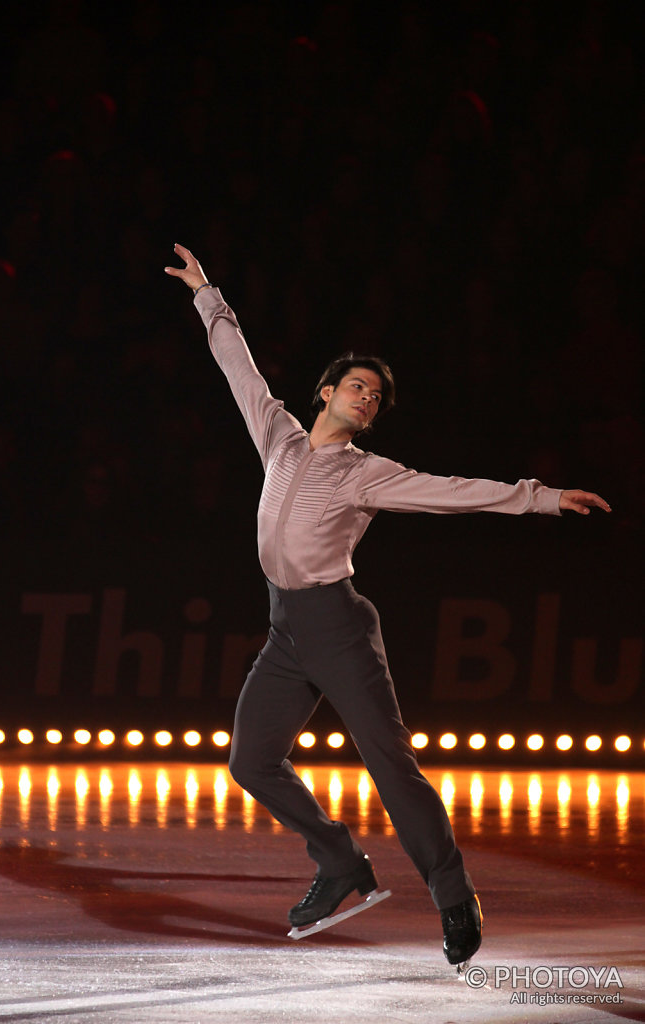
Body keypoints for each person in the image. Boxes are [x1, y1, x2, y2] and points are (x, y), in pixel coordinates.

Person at [165, 243, 611, 966]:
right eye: (356, 386)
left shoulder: (367, 474)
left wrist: (542, 499)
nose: (366, 397)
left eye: (375, 396)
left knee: (388, 763)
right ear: (326, 391)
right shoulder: (276, 435)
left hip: (337, 626)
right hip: (284, 631)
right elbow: (236, 366)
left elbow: (453, 490)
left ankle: (451, 890)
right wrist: (205, 293)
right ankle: (340, 863)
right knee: (250, 762)